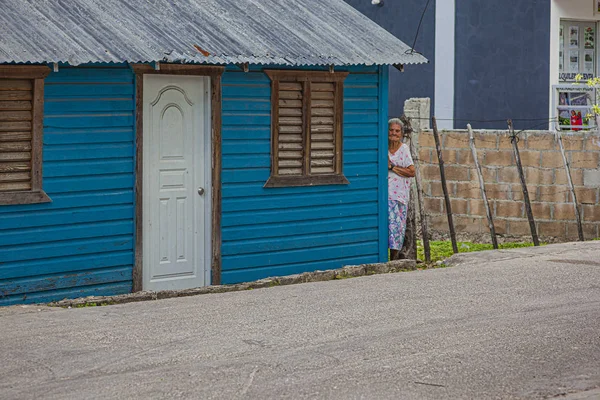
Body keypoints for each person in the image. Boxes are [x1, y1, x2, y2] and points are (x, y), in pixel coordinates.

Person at [388, 118, 415, 260]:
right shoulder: (383, 147)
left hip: (398, 196)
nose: (394, 133)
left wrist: (392, 167)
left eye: (397, 131)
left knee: (396, 228)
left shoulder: (403, 149)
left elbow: (411, 172)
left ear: (402, 133)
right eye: (391, 130)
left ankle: (393, 258)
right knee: (387, 227)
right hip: (385, 195)